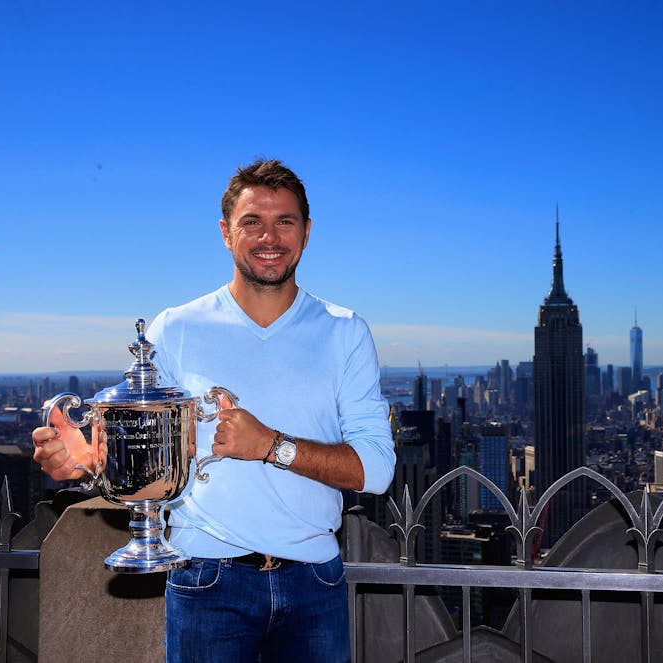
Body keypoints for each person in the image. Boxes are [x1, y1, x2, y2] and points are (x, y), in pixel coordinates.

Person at [32, 159, 396, 662]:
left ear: (307, 233)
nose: (269, 237)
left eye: (284, 222)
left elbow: (376, 470)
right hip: (206, 580)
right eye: (252, 222)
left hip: (315, 579)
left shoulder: (345, 331)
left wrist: (271, 446)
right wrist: (91, 459)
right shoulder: (175, 328)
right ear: (226, 233)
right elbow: (138, 447)